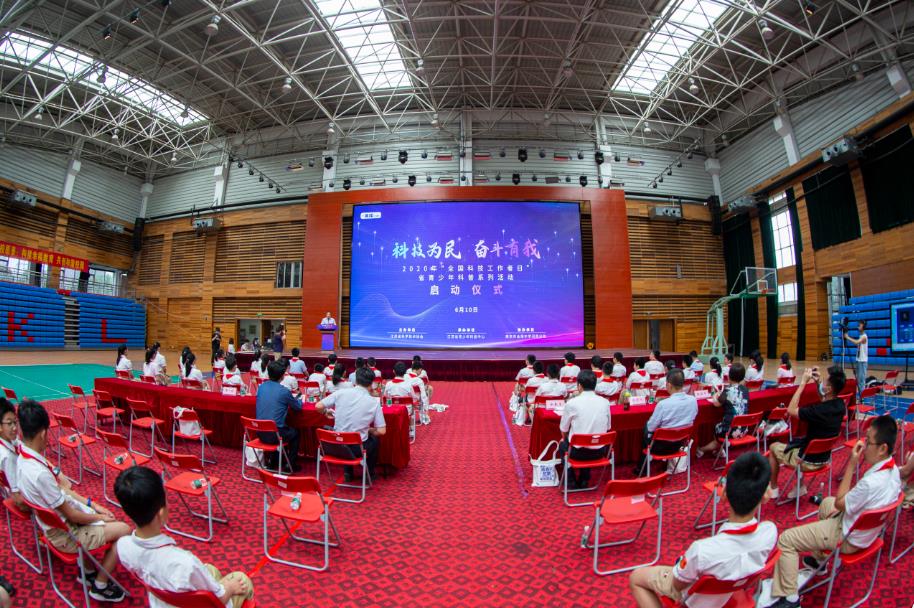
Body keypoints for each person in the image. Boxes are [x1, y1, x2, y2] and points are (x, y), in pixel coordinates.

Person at [766, 416, 901, 607]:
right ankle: (819, 560)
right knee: (825, 504)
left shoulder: (871, 483)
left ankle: (789, 599)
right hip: (867, 532)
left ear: (882, 448)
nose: (863, 445)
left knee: (787, 539)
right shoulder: (894, 472)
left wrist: (851, 464)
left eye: (868, 441)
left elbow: (840, 503)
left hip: (849, 537)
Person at [630, 452, 777, 608]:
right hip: (732, 588)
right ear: (766, 495)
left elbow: (678, 585)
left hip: (695, 600)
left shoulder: (702, 550)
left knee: (636, 578)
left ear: (724, 494)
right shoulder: (770, 532)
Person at [17, 400, 130, 602]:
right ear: (43, 433)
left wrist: (93, 506)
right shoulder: (40, 473)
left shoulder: (22, 460)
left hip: (54, 527)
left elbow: (65, 496)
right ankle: (100, 585)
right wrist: (99, 516)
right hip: (67, 535)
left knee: (98, 518)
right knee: (125, 530)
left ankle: (87, 571)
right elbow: (72, 515)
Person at [114, 466, 253, 608]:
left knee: (210, 569)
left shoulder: (122, 546)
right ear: (161, 513)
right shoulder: (184, 562)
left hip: (160, 601)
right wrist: (230, 587)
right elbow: (219, 599)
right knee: (241, 579)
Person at [766, 366, 846, 500]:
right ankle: (800, 486)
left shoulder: (817, 410)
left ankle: (773, 488)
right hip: (824, 458)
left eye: (824, 381)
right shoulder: (840, 405)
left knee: (773, 447)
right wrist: (818, 384)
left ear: (829, 389)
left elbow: (791, 410)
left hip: (807, 461)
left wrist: (803, 383)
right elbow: (825, 401)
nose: (822, 381)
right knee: (802, 442)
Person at [316, 367, 387, 481]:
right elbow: (382, 431)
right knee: (374, 440)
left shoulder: (340, 393)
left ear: (356, 381)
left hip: (334, 445)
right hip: (356, 449)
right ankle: (369, 473)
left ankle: (348, 473)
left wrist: (325, 412)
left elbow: (318, 406)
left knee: (344, 436)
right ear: (371, 384)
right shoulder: (373, 402)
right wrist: (368, 430)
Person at [637, 369, 698, 476]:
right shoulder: (693, 400)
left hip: (661, 447)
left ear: (668, 385)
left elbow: (651, 427)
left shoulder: (663, 404)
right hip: (681, 444)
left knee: (646, 427)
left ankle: (642, 468)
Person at [558, 371, 610, 489]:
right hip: (600, 451)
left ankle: (570, 481)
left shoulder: (572, 403)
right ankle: (584, 479)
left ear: (579, 386)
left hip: (577, 453)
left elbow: (563, 429)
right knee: (590, 439)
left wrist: (565, 439)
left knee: (563, 444)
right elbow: (607, 428)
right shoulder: (605, 402)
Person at [255, 360, 303, 472]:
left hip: (260, 432)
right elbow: (297, 407)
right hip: (275, 434)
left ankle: (273, 461)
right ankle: (290, 464)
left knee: (279, 428)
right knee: (295, 433)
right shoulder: (284, 391)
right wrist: (300, 399)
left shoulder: (261, 387)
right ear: (282, 376)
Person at [696, 362, 749, 458]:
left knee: (717, 427)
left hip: (731, 431)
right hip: (744, 429)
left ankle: (703, 449)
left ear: (729, 376)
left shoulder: (727, 390)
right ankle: (719, 451)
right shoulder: (745, 390)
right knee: (722, 427)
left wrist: (715, 395)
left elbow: (716, 404)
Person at [0, 399, 23, 510]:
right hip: (17, 494)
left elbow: (21, 445)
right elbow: (18, 499)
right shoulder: (8, 456)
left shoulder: (10, 439)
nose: (14, 427)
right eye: (9, 423)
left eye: (15, 422)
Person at [843, 320, 868, 398]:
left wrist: (847, 337)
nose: (858, 326)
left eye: (860, 325)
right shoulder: (861, 336)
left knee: (861, 380)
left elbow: (857, 342)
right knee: (858, 379)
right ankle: (860, 394)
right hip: (858, 360)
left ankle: (862, 396)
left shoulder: (864, 336)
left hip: (862, 361)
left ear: (863, 326)